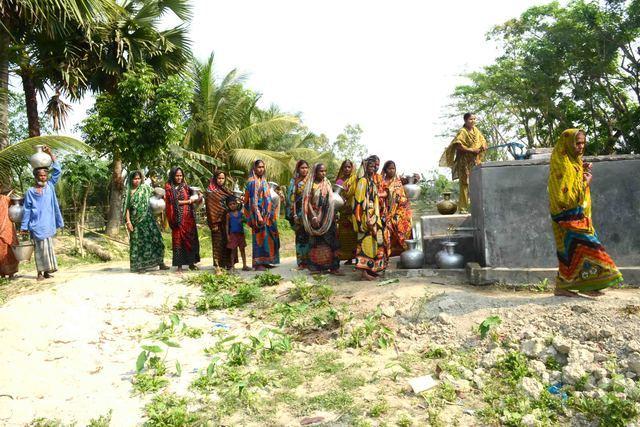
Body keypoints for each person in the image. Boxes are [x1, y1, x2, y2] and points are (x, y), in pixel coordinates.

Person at [548, 129, 623, 297]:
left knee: (569, 251)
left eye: (583, 143)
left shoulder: (574, 161)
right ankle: (583, 285)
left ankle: (566, 287)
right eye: (577, 143)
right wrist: (585, 183)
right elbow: (565, 194)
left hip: (576, 213)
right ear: (568, 143)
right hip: (565, 215)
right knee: (588, 246)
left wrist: (581, 170)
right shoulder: (562, 163)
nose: (581, 147)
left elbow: (572, 180)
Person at [20, 146, 63, 281]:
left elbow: (58, 170)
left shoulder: (50, 186)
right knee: (39, 250)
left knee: (48, 249)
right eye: (41, 176)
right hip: (36, 225)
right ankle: (39, 273)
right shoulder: (30, 192)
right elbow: (26, 210)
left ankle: (46, 272)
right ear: (36, 176)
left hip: (48, 224)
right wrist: (24, 227)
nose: (43, 178)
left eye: (45, 175)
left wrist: (50, 153)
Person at [439, 112, 488, 212]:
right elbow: (458, 145)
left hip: (475, 161)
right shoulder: (463, 131)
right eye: (471, 119)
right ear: (465, 120)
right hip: (464, 161)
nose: (473, 121)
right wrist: (471, 150)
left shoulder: (476, 131)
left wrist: (482, 146)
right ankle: (463, 208)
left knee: (477, 182)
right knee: (464, 184)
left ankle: (477, 207)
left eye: (474, 119)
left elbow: (483, 141)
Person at [123, 171, 168, 273]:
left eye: (138, 178)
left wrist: (162, 192)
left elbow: (157, 193)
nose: (137, 181)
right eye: (135, 179)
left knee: (157, 239)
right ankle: (139, 266)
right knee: (138, 244)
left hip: (149, 220)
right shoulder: (128, 192)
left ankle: (160, 262)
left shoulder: (145, 188)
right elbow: (127, 209)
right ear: (131, 179)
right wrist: (128, 222)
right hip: (136, 222)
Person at [302, 163, 342, 274]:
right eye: (321, 171)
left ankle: (334, 267)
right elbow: (307, 201)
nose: (323, 173)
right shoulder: (310, 185)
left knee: (332, 241)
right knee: (316, 242)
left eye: (325, 171)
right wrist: (313, 216)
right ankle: (316, 268)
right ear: (315, 172)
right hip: (315, 217)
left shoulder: (327, 183)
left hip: (328, 217)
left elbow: (331, 199)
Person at [353, 156, 387, 280]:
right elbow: (358, 202)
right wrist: (362, 219)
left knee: (374, 244)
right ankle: (363, 273)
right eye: (370, 166)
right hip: (365, 219)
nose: (373, 168)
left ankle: (371, 269)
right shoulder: (362, 181)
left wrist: (375, 218)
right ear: (365, 167)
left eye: (374, 166)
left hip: (374, 217)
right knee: (363, 244)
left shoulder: (371, 181)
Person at [243, 160, 280, 271]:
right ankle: (258, 263)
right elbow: (251, 201)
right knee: (259, 238)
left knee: (269, 237)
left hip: (268, 215)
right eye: (259, 167)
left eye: (263, 167)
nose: (261, 169)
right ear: (254, 168)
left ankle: (267, 261)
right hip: (257, 215)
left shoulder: (264, 181)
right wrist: (258, 215)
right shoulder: (252, 182)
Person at [165, 167, 201, 273]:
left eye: (181, 175)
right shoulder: (168, 188)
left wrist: (198, 197)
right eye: (177, 175)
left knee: (190, 240)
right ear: (172, 176)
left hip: (188, 219)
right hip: (176, 219)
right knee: (178, 241)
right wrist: (188, 201)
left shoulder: (185, 187)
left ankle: (191, 264)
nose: (179, 177)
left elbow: (196, 197)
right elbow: (172, 202)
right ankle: (179, 266)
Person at [381, 160, 413, 257]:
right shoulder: (381, 182)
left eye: (393, 168)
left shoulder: (399, 180)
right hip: (387, 210)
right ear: (385, 170)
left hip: (402, 210)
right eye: (389, 168)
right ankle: (389, 251)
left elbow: (411, 182)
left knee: (402, 224)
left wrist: (415, 178)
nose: (392, 171)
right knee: (388, 225)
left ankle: (404, 250)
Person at [285, 160, 310, 270]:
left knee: (310, 237)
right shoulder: (294, 182)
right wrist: (294, 214)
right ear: (298, 169)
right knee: (300, 237)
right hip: (298, 213)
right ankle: (301, 262)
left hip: (310, 213)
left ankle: (310, 261)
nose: (304, 170)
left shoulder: (311, 180)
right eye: (302, 168)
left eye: (306, 168)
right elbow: (292, 199)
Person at [206, 171, 233, 270]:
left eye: (223, 178)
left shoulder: (226, 190)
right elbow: (209, 208)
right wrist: (213, 223)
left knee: (228, 241)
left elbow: (232, 202)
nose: (221, 180)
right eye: (219, 178)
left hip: (227, 222)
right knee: (218, 242)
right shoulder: (210, 191)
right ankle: (218, 264)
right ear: (215, 179)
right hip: (216, 222)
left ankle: (228, 263)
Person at [335, 160, 358, 264]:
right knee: (344, 236)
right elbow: (336, 194)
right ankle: (347, 257)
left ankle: (355, 256)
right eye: (345, 167)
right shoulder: (339, 181)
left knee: (354, 235)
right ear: (342, 168)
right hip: (343, 212)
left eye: (349, 167)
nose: (347, 169)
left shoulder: (355, 180)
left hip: (353, 211)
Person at [225, 196, 249, 271]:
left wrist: (244, 220)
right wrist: (227, 235)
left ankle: (244, 265)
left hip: (240, 234)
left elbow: (246, 221)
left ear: (236, 204)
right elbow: (227, 225)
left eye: (234, 204)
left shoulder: (241, 214)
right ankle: (232, 266)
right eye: (230, 204)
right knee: (233, 251)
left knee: (242, 250)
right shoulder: (228, 215)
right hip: (233, 235)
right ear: (228, 206)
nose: (232, 205)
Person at [0, 186, 19, 278]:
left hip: (7, 229)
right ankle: (2, 274)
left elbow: (16, 204)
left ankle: (11, 273)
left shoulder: (6, 199)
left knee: (10, 250)